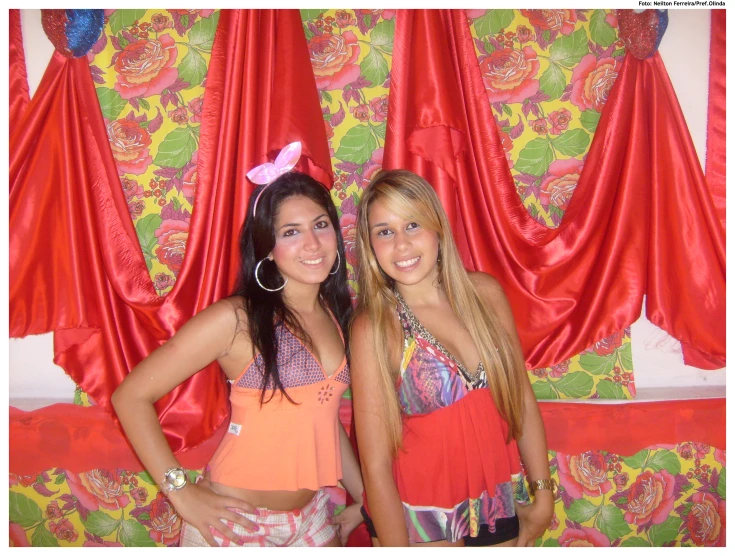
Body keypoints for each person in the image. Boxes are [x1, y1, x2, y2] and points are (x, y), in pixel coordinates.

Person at [111, 143, 364, 547]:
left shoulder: (335, 313)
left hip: (313, 518)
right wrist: (182, 495)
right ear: (267, 248)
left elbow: (324, 416)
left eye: (320, 224)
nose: (313, 243)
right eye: (290, 232)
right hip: (236, 525)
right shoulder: (236, 319)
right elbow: (130, 396)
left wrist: (365, 499)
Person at [350, 169, 555, 547]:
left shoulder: (485, 295)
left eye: (412, 224)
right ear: (370, 246)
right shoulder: (374, 328)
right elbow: (375, 464)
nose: (402, 245)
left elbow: (520, 397)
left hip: (496, 503)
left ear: (437, 228)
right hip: (418, 520)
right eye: (384, 231)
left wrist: (543, 494)